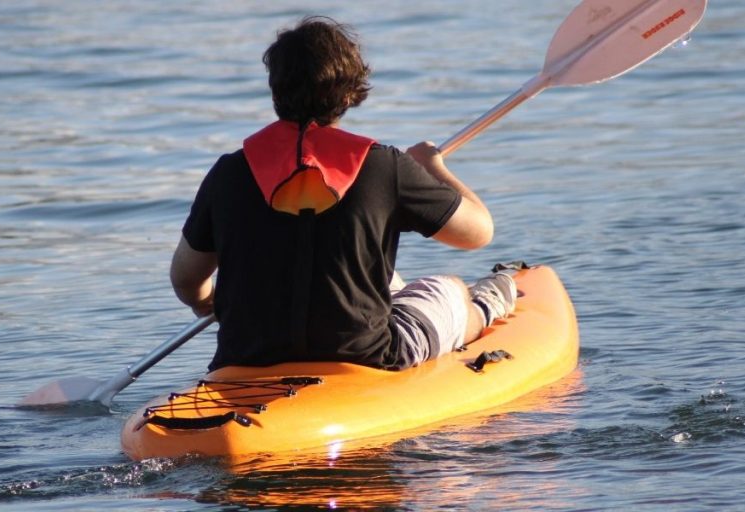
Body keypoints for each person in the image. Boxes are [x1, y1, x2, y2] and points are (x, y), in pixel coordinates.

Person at [171, 16, 516, 372]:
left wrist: (207, 304)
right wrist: (433, 166)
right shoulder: (386, 166)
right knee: (449, 288)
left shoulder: (228, 172)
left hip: (246, 358)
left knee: (389, 282)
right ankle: (487, 304)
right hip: (367, 356)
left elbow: (185, 280)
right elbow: (478, 233)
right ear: (350, 93)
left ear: (276, 91)